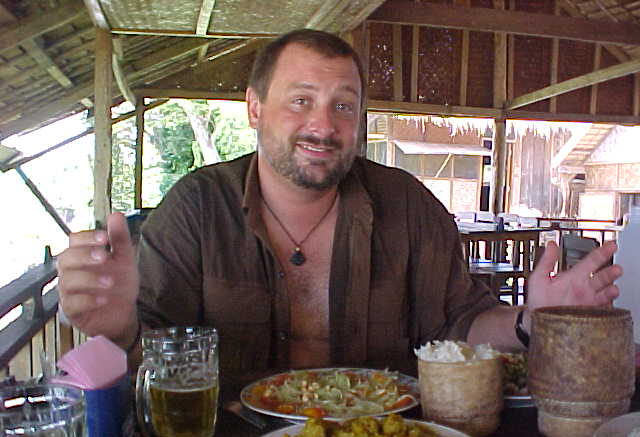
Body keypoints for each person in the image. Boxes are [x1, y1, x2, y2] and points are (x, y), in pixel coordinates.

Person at [57, 29, 621, 386]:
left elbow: (460, 324)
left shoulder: (408, 206)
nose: (324, 126)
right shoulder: (197, 207)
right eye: (300, 101)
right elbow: (153, 351)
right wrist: (120, 327)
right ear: (254, 108)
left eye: (344, 107)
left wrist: (533, 317)